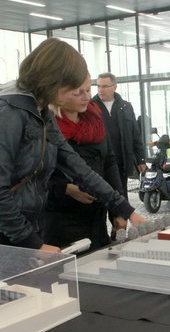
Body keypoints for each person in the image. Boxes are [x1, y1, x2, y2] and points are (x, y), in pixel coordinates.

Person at [0, 37, 144, 252]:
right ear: (54, 80)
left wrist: (126, 209)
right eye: (74, 89)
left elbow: (78, 168)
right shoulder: (9, 113)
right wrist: (33, 244)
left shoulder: (42, 112)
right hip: (10, 237)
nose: (80, 95)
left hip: (28, 230)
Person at [42, 75, 127, 249]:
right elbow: (34, 175)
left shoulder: (95, 119)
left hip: (96, 218)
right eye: (78, 92)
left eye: (88, 90)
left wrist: (117, 210)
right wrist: (66, 189)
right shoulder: (45, 125)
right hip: (61, 220)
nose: (86, 97)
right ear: (59, 93)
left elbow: (109, 162)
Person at [92, 72, 146, 199]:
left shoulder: (126, 107)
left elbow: (136, 135)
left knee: (121, 196)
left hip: (121, 161)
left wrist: (140, 159)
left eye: (104, 86)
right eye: (98, 86)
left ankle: (121, 218)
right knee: (100, 198)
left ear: (114, 87)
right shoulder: (90, 107)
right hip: (99, 162)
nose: (100, 90)